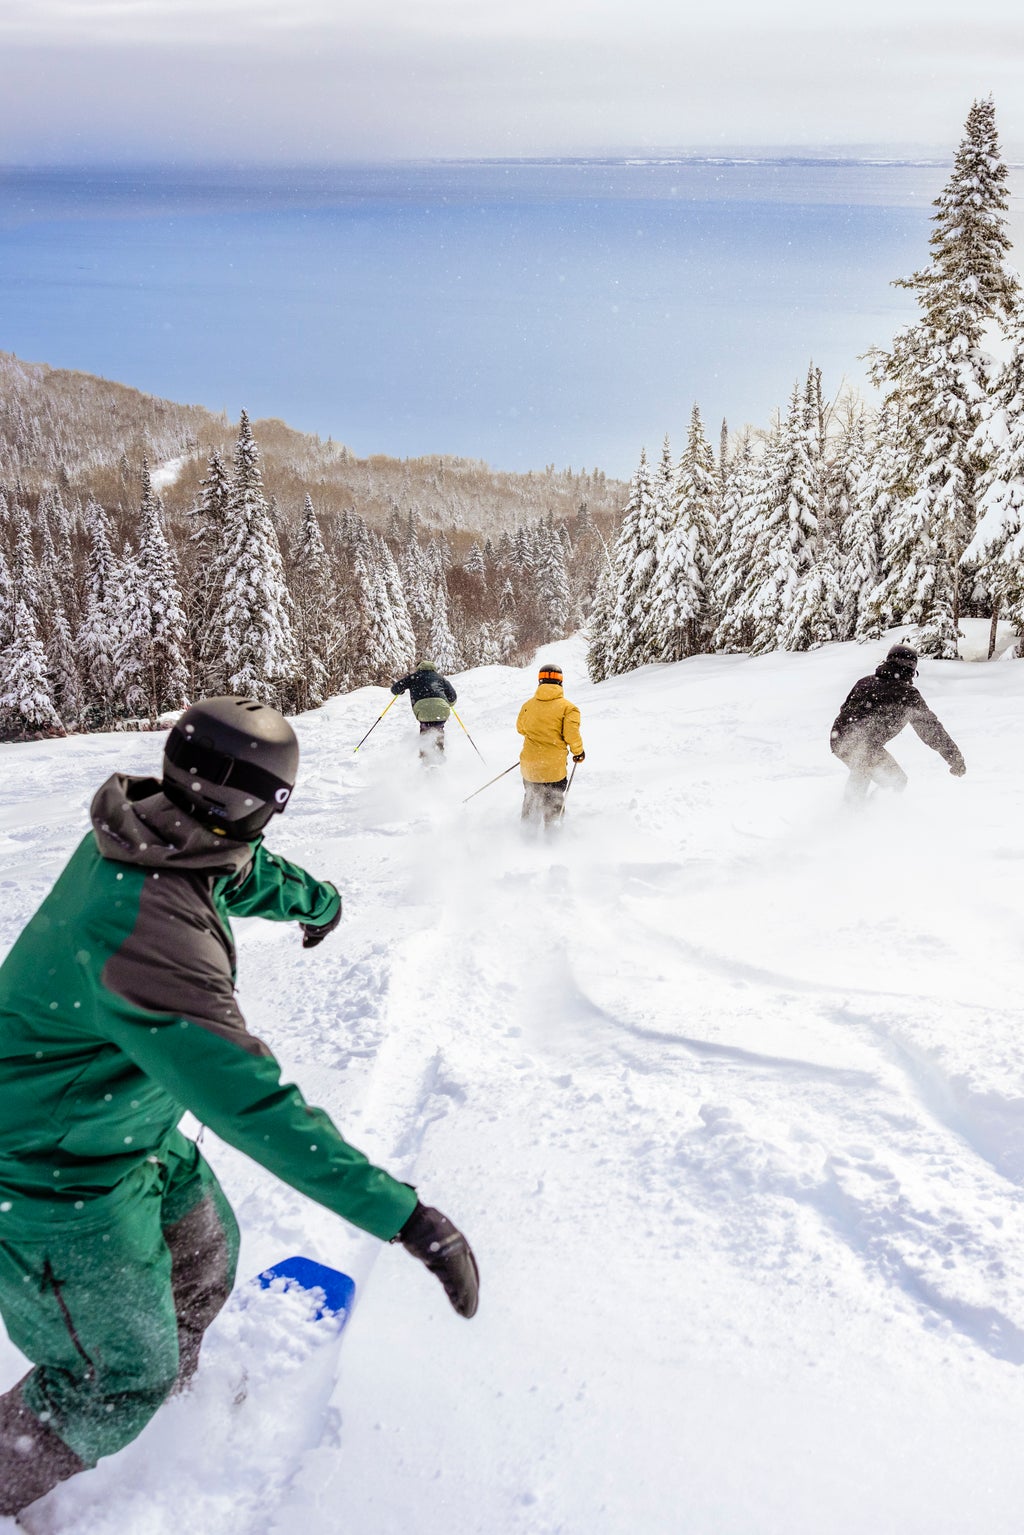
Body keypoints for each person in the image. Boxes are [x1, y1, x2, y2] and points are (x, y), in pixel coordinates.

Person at [0, 696, 478, 1519]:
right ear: (260, 805)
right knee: (115, 1379)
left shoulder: (155, 826)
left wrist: (315, 902)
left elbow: (239, 869)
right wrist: (408, 1218)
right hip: (51, 1175)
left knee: (204, 1259)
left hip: (120, 1130)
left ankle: (170, 1390)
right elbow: (255, 1105)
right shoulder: (150, 936)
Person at [830, 642, 966, 804]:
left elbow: (845, 709)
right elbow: (931, 729)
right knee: (896, 780)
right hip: (862, 744)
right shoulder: (907, 694)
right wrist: (954, 757)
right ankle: (867, 817)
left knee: (862, 770)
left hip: (839, 740)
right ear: (910, 667)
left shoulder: (865, 682)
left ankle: (850, 813)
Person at [516, 662, 585, 828]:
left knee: (531, 798)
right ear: (560, 682)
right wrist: (579, 752)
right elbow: (571, 735)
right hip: (553, 768)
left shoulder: (528, 706)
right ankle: (552, 840)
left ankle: (526, 838)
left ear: (540, 681)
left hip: (530, 766)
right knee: (553, 803)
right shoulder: (568, 708)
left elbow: (521, 729)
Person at [390, 660, 457, 762]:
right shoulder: (440, 678)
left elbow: (395, 689)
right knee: (438, 728)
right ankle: (439, 755)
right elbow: (453, 698)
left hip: (423, 709)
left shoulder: (414, 677)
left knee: (425, 729)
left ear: (419, 668)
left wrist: (401, 690)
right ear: (433, 667)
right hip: (441, 709)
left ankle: (425, 760)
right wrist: (448, 703)